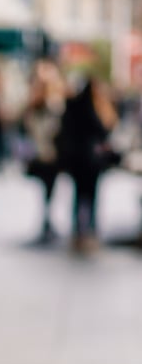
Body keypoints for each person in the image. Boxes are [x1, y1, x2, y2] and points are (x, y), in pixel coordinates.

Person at [56, 75, 119, 253]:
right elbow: (103, 129)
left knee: (78, 194)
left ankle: (78, 228)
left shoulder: (72, 106)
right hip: (91, 160)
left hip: (76, 160)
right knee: (91, 195)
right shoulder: (93, 108)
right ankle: (90, 227)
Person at [22, 62, 65, 244]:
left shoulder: (53, 104)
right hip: (42, 154)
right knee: (46, 190)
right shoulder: (36, 106)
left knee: (50, 190)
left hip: (50, 154)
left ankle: (48, 222)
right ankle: (46, 222)